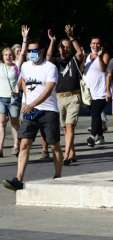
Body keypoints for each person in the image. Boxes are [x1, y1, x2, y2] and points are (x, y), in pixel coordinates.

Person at [2, 40, 63, 191]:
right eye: (29, 51)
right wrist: (24, 100)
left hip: (49, 110)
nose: (31, 54)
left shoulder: (50, 67)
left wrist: (32, 103)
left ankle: (58, 175)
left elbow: (48, 90)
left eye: (34, 51)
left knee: (53, 144)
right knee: (24, 144)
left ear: (41, 51)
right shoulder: (25, 66)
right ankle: (18, 179)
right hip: (30, 111)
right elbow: (23, 82)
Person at [46, 25, 84, 165]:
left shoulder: (74, 59)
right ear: (59, 48)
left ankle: (66, 154)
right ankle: (72, 152)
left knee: (70, 127)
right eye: (63, 47)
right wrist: (52, 41)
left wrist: (72, 37)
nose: (65, 48)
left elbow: (80, 52)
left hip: (73, 96)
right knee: (65, 128)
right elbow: (48, 57)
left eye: (68, 46)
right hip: (59, 97)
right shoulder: (55, 62)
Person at [0, 25, 29, 157]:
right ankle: (0, 147)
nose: (8, 57)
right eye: (6, 55)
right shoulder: (0, 66)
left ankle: (16, 145)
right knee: (1, 122)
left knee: (14, 122)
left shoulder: (16, 66)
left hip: (13, 99)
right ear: (2, 56)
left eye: (10, 55)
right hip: (1, 98)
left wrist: (24, 38)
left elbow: (22, 53)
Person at [84, 37, 110, 147]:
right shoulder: (87, 56)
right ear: (90, 44)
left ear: (101, 45)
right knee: (96, 114)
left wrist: (99, 56)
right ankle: (100, 136)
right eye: (93, 43)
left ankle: (92, 135)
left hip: (101, 92)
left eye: (98, 43)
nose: (95, 45)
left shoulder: (104, 55)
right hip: (89, 93)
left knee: (95, 113)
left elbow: (104, 68)